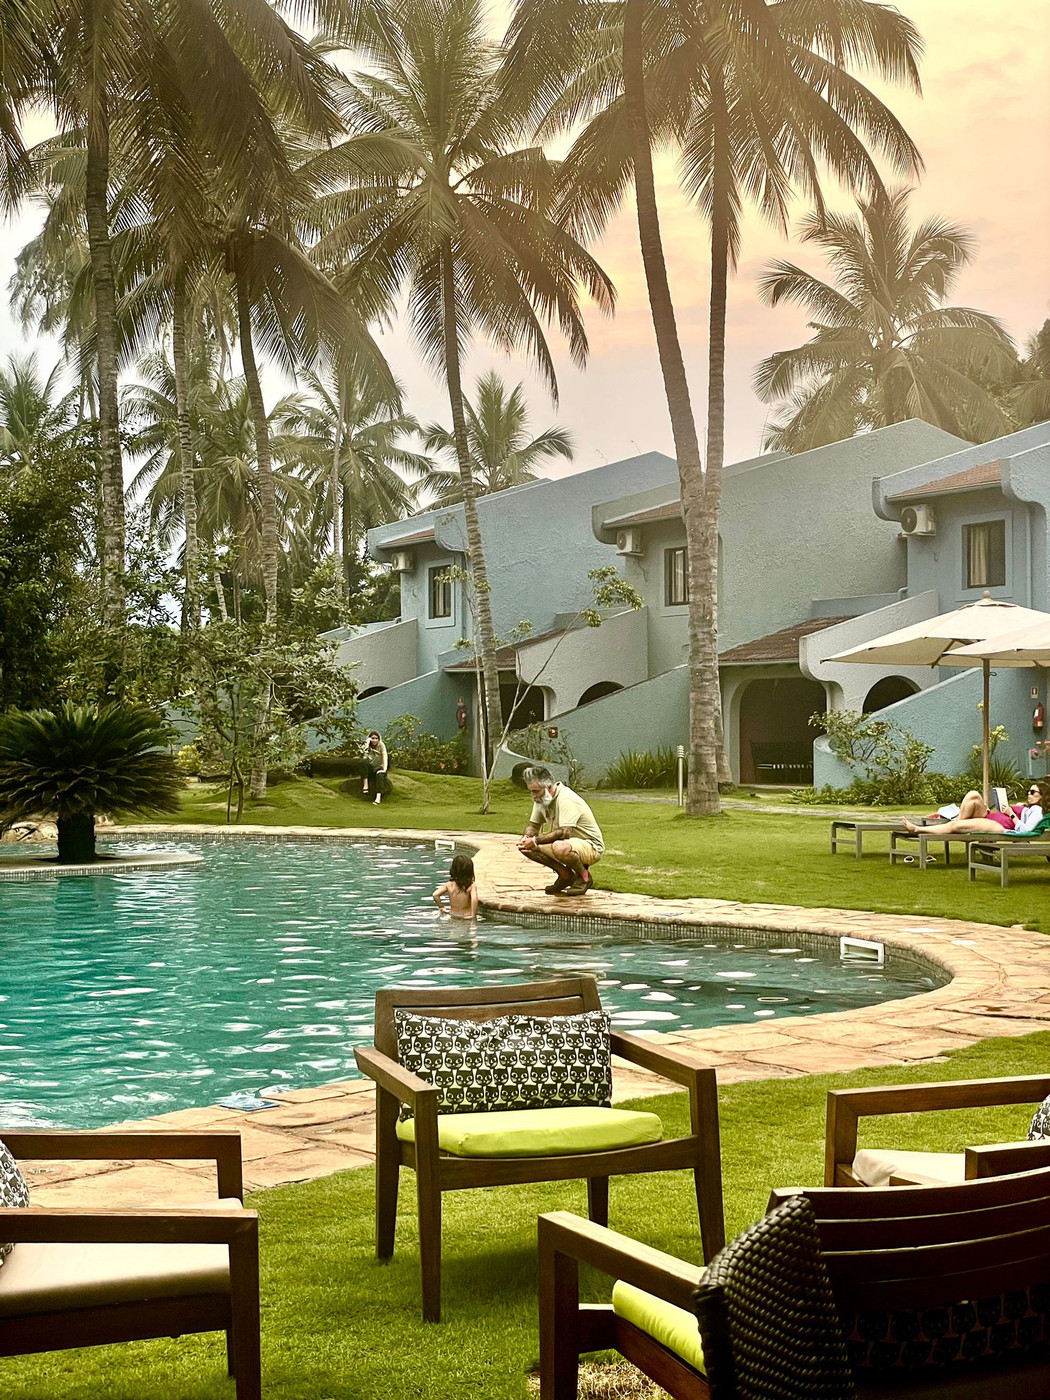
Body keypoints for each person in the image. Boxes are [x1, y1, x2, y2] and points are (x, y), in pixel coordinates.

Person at [518, 765, 604, 896]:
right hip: (566, 844)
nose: (533, 796)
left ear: (548, 787)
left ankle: (585, 878)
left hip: (591, 846)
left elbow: (564, 832)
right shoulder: (542, 799)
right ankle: (565, 876)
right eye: (531, 791)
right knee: (525, 847)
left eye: (535, 791)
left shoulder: (566, 798)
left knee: (560, 847)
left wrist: (535, 840)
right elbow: (533, 826)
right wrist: (527, 836)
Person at [905, 778, 1048, 837]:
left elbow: (1026, 831)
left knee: (956, 824)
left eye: (1033, 792)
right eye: (1028, 791)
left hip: (1000, 825)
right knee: (973, 794)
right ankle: (958, 822)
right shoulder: (1030, 807)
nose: (1029, 794)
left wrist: (1011, 814)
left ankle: (918, 830)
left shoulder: (1038, 810)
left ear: (1043, 795)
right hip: (994, 816)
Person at [432, 853, 479, 919]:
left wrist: (441, 907)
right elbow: (474, 899)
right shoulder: (471, 886)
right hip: (466, 916)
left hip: (453, 916)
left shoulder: (449, 884)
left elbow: (435, 895)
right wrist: (473, 915)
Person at [360, 730, 389, 805]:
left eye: (376, 738)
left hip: (379, 767)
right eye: (373, 738)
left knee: (379, 775)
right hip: (371, 768)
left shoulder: (381, 745)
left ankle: (378, 798)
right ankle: (365, 785)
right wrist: (367, 744)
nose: (375, 740)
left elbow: (385, 756)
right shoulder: (367, 745)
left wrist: (384, 770)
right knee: (363, 762)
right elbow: (364, 756)